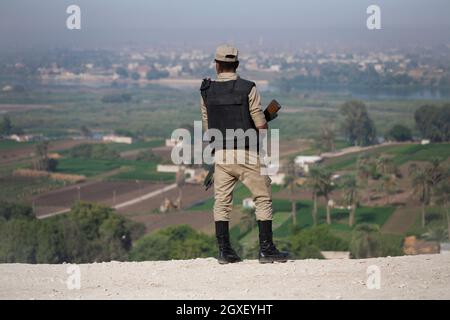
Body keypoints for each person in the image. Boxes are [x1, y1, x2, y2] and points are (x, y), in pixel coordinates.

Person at [200, 44, 289, 264]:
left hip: (221, 155)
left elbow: (207, 126)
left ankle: (224, 252)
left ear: (217, 65)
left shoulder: (206, 90)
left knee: (221, 202)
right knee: (263, 198)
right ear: (237, 64)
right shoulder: (248, 88)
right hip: (247, 153)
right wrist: (264, 120)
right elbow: (260, 124)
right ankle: (266, 250)